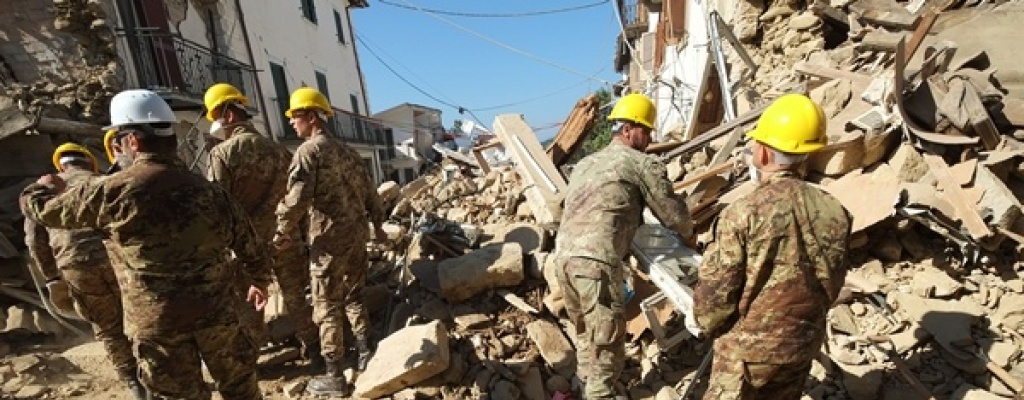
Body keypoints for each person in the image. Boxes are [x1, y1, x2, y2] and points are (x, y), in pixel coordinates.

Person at [20, 89, 272, 400]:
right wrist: (259, 281)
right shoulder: (210, 192)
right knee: (241, 390)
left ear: (133, 141)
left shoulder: (112, 193)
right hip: (217, 315)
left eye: (117, 139)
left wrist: (41, 188)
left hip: (159, 327)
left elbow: (43, 212)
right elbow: (252, 247)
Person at [693, 93, 852, 400]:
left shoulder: (744, 212)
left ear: (763, 154)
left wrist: (704, 322)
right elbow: (832, 281)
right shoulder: (836, 210)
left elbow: (714, 303)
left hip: (747, 356)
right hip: (801, 346)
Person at [553, 93, 693, 400]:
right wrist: (691, 232)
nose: (650, 138)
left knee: (586, 335)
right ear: (628, 128)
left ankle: (584, 388)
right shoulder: (641, 163)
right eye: (646, 130)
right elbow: (672, 215)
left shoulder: (586, 163)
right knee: (608, 347)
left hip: (563, 260)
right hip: (595, 264)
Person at [271, 87, 386, 396]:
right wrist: (379, 225)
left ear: (311, 116)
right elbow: (370, 193)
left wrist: (281, 232)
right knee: (353, 295)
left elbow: (296, 199)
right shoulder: (348, 152)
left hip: (328, 241)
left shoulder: (309, 152)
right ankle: (364, 349)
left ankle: (333, 374)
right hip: (356, 236)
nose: (292, 123)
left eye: (295, 117)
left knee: (326, 305)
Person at [202, 83, 320, 364]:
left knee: (250, 305)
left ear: (229, 115)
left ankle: (250, 362)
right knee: (297, 298)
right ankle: (316, 351)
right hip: (285, 239)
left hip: (248, 247)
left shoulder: (222, 154)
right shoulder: (281, 151)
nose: (216, 123)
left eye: (216, 115)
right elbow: (298, 200)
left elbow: (216, 205)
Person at [23, 143, 145, 400]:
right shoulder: (105, 181)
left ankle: (133, 383)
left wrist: (52, 277)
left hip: (75, 264)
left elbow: (35, 240)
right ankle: (153, 373)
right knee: (136, 318)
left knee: (107, 327)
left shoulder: (44, 190)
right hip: (115, 259)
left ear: (61, 165)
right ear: (90, 162)